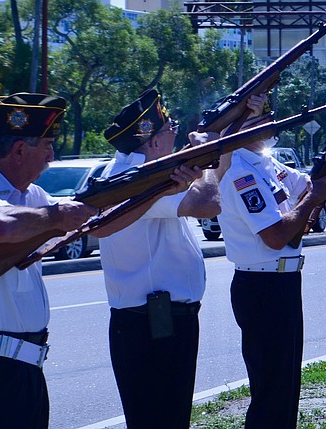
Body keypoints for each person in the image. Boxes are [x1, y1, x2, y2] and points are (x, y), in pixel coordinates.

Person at [217, 98, 326, 428]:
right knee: (270, 386)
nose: (270, 123)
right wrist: (312, 200)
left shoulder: (269, 165)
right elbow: (274, 236)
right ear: (241, 129)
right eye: (260, 120)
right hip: (261, 286)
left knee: (285, 384)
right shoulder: (241, 174)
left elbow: (319, 183)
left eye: (270, 117)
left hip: (282, 283)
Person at [0, 93, 96, 428]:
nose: (51, 155)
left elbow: (91, 227)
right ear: (19, 149)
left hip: (23, 369)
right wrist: (58, 215)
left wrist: (156, 188)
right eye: (47, 144)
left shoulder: (31, 196)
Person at [90, 88, 228, 428]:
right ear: (152, 142)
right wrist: (204, 153)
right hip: (155, 323)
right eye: (170, 129)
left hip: (152, 321)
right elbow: (208, 203)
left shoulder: (127, 171)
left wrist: (209, 156)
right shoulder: (142, 180)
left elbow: (208, 186)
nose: (177, 133)